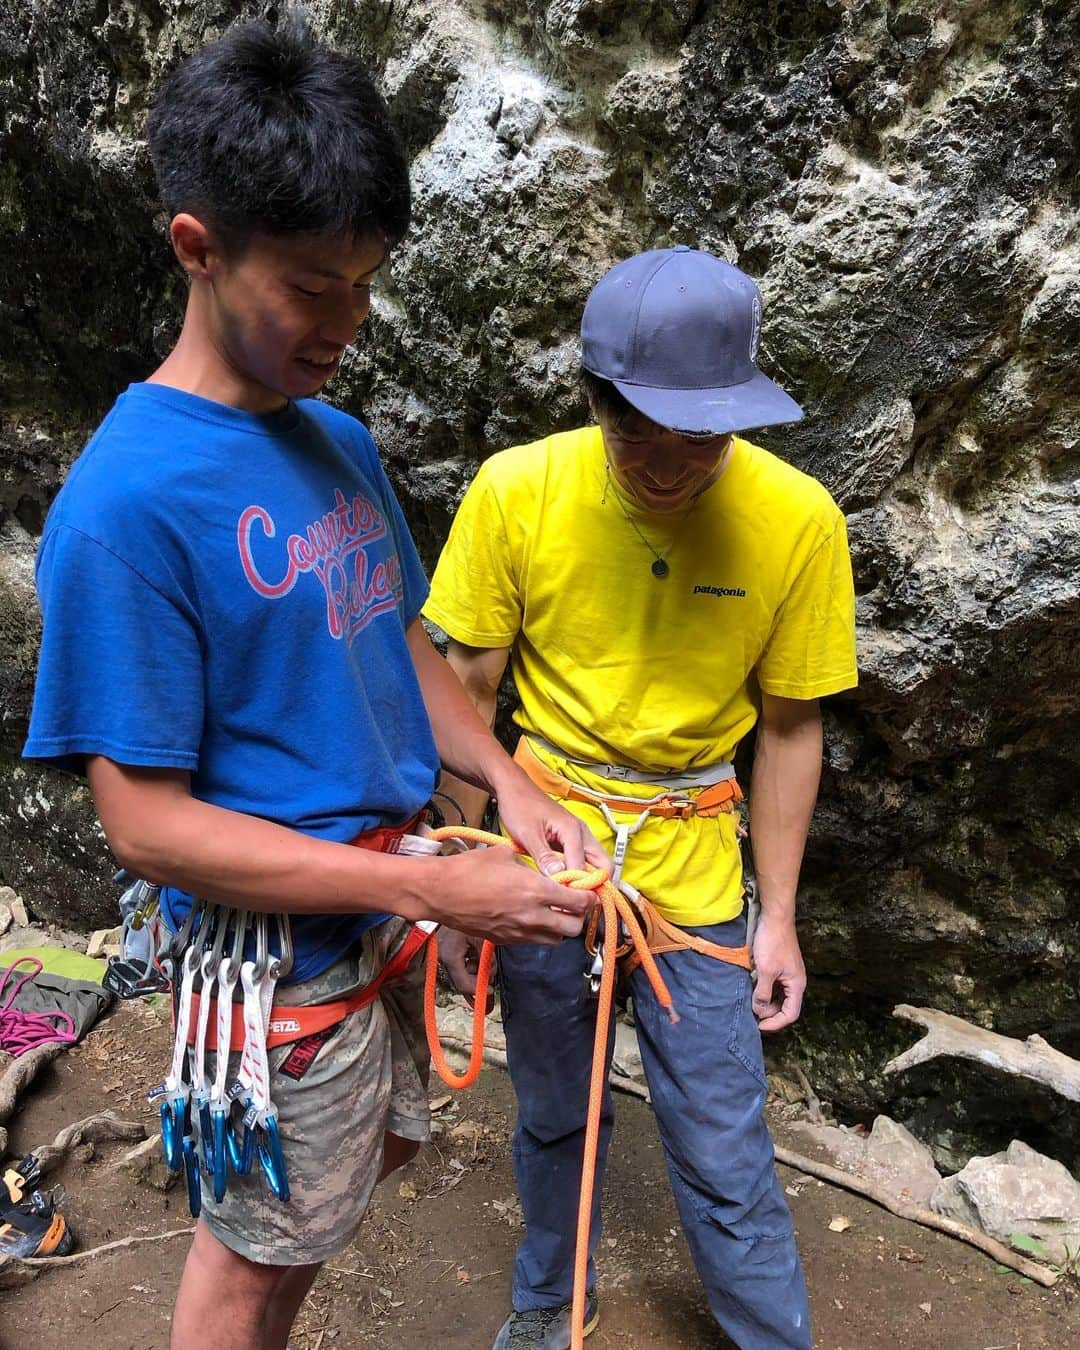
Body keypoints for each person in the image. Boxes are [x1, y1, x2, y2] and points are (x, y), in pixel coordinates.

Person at [22, 18, 604, 1350]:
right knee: (248, 1254)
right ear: (197, 246)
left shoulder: (331, 438)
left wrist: (507, 781)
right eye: (311, 288)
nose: (345, 325)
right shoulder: (126, 507)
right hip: (275, 964)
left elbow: (390, 641)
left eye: (364, 287)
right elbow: (144, 824)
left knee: (331, 1201)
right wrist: (422, 884)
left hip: (377, 910)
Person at [425, 245, 858, 1349]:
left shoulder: (800, 520)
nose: (668, 471)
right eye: (636, 437)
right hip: (549, 842)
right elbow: (463, 689)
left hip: (695, 856)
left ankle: (773, 1337)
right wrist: (463, 874)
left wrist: (781, 917)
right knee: (555, 1112)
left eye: (701, 441)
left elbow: (792, 725)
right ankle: (547, 1303)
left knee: (721, 1136)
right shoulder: (519, 490)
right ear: (591, 399)